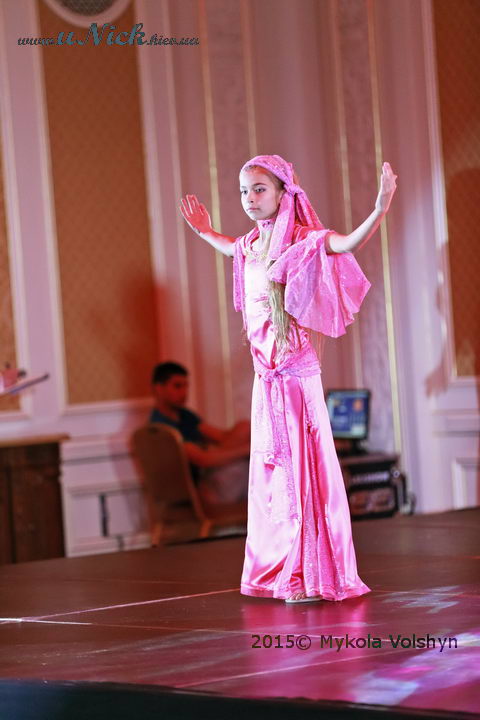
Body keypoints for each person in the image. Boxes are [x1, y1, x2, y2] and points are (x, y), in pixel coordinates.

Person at [179, 154, 397, 603]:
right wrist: (204, 231)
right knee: (272, 475)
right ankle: (280, 568)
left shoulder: (300, 239)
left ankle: (308, 572)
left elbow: (345, 244)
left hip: (295, 379)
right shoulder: (250, 245)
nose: (250, 198)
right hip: (266, 381)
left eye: (259, 189)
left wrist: (379, 208)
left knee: (303, 473)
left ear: (283, 193)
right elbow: (229, 247)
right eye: (244, 191)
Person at [150, 361, 250, 504]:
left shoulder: (185, 415)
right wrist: (248, 450)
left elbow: (222, 438)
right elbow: (202, 459)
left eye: (186, 386)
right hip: (194, 489)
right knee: (244, 467)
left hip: (210, 476)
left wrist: (244, 431)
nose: (184, 392)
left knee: (244, 428)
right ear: (159, 388)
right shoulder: (161, 426)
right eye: (177, 386)